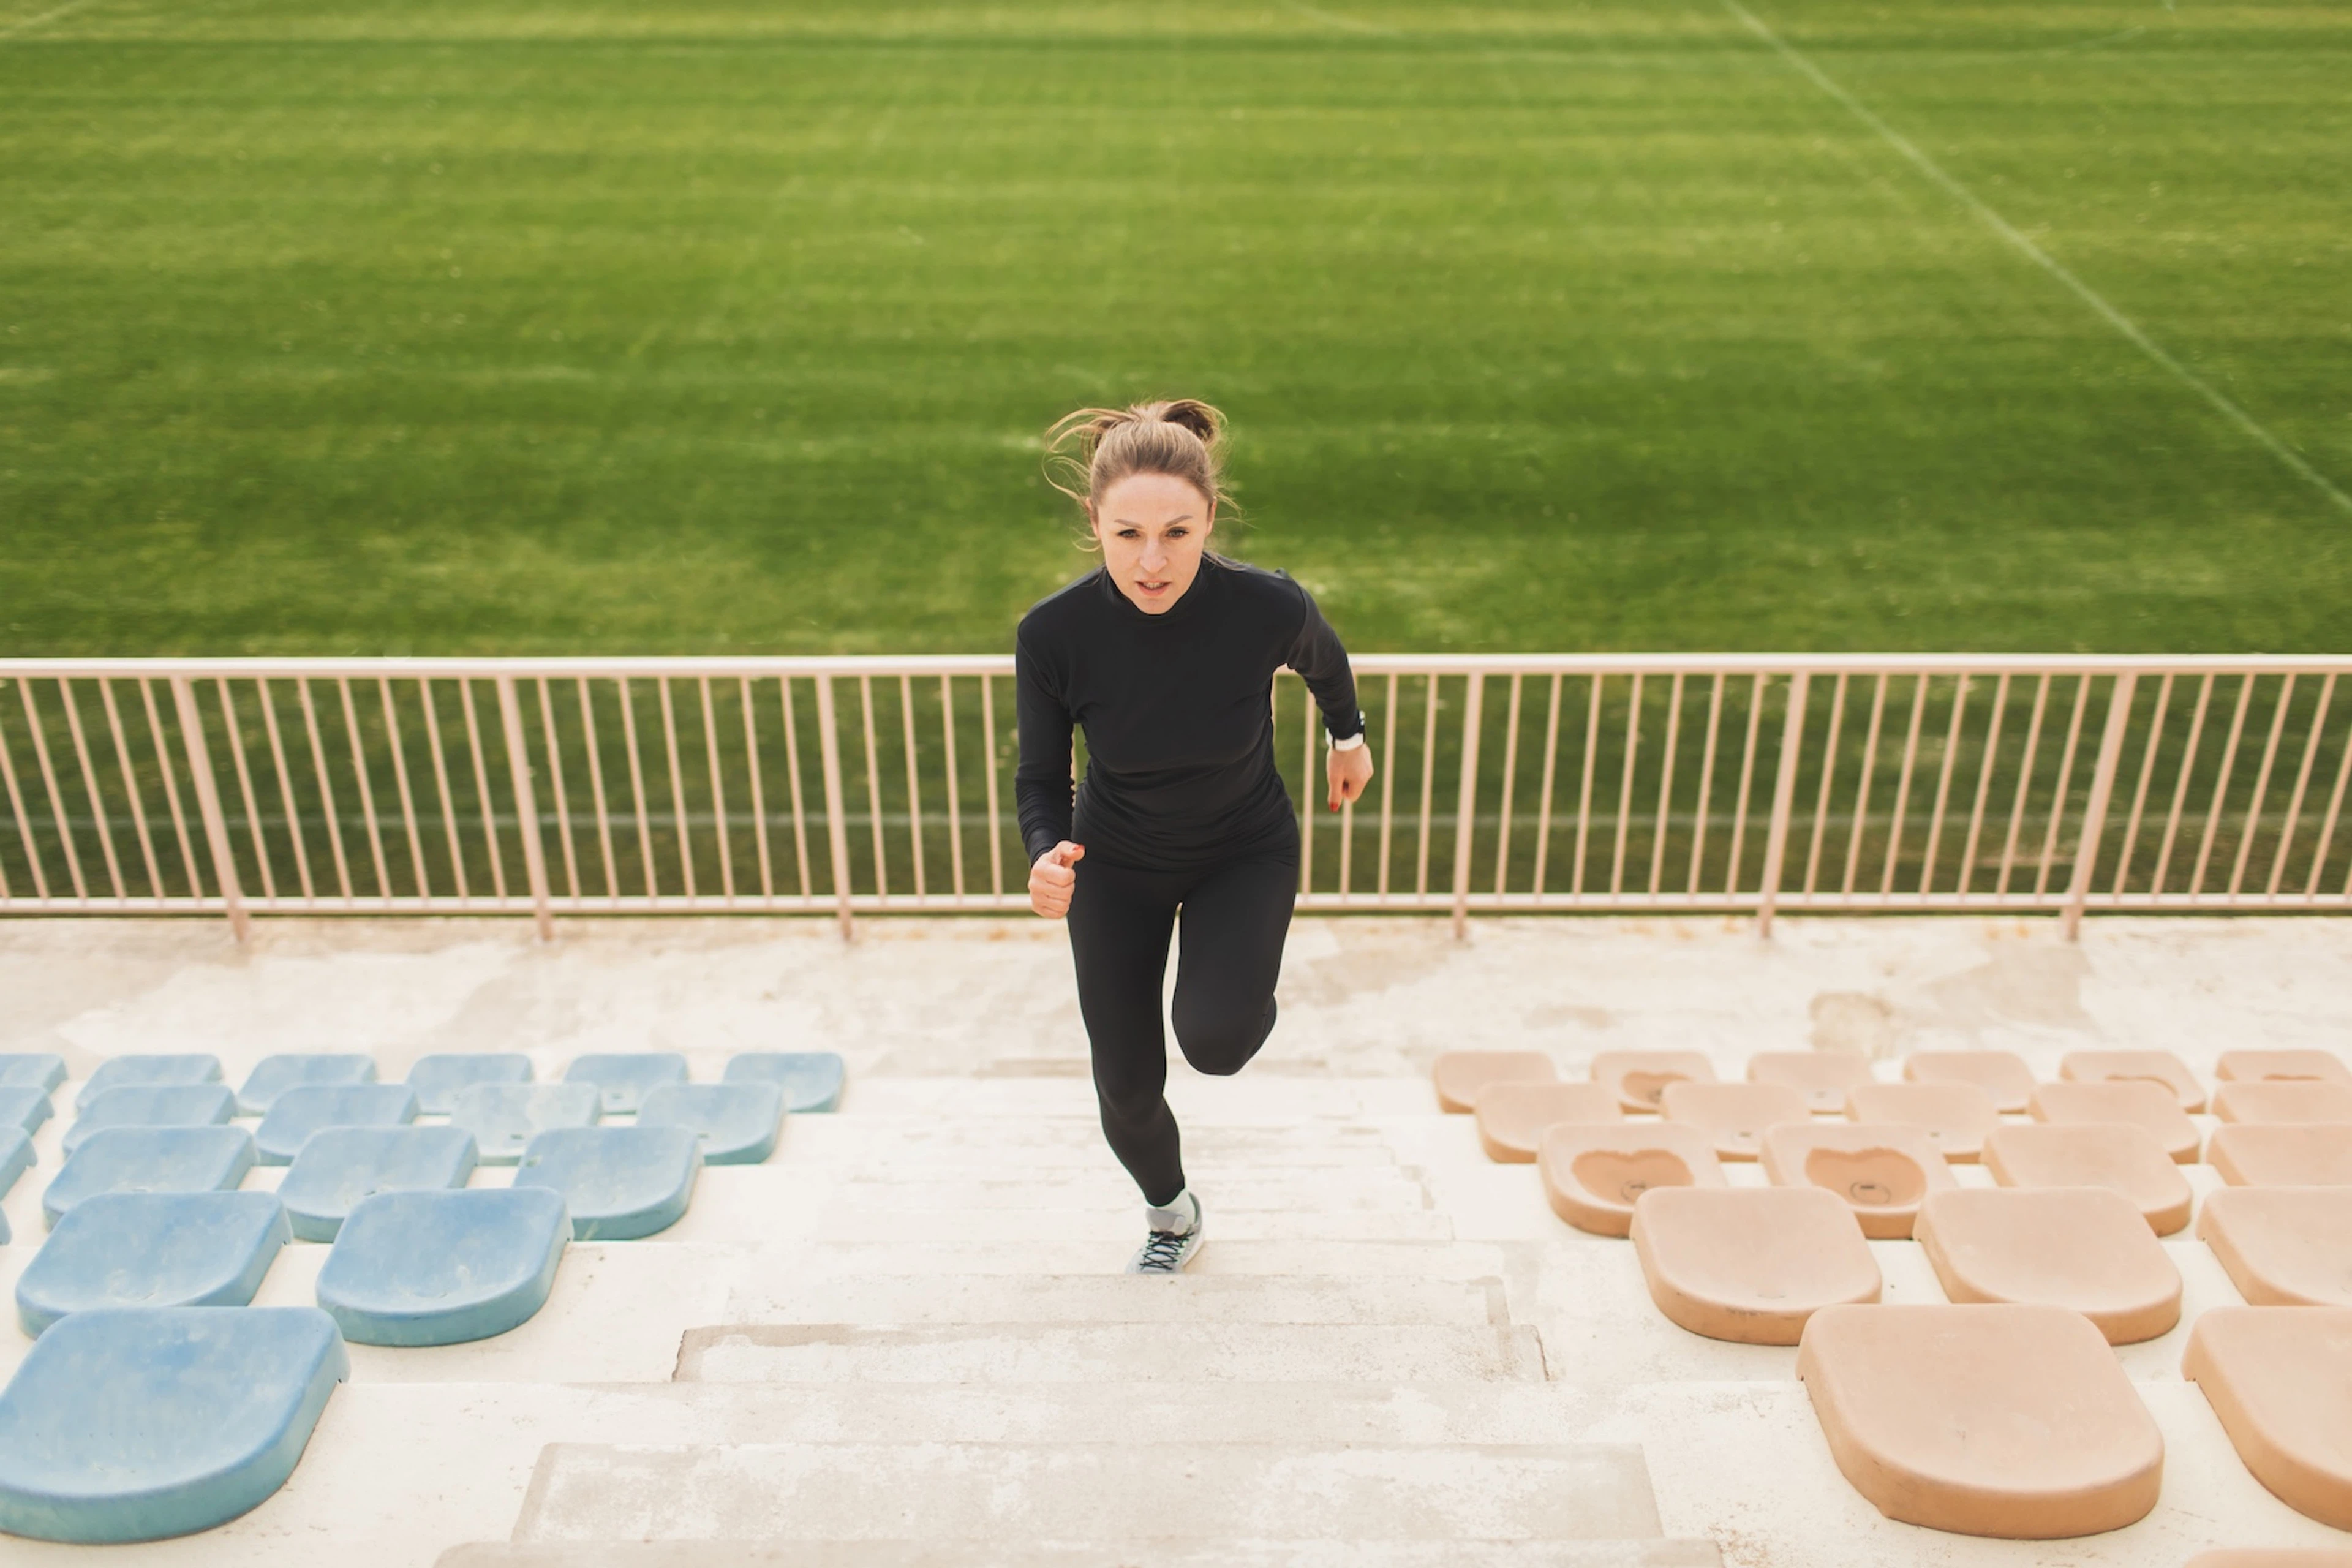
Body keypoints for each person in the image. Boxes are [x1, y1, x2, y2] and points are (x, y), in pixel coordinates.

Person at [1014, 399, 1373, 1273]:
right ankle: (1171, 1213)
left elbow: (1325, 663)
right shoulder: (1053, 634)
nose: (1152, 560)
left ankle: (1243, 997)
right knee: (1128, 1087)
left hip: (1242, 851)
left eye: (1177, 532)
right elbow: (1041, 775)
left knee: (1215, 1041)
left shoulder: (1265, 605)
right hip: (1115, 863)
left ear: (1211, 518)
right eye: (1128, 532)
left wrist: (1348, 737)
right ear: (1093, 521)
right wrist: (1044, 851)